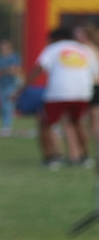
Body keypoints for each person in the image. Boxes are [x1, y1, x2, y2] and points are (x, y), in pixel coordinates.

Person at [33, 23, 97, 168]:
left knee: (46, 124)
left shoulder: (53, 48)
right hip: (82, 93)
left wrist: (21, 89)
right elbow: (94, 73)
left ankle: (51, 158)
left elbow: (39, 67)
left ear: (55, 38)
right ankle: (84, 157)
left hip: (58, 92)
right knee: (77, 123)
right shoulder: (84, 50)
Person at [0, 34, 23, 138]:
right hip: (1, 84)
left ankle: (6, 126)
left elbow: (14, 70)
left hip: (11, 84)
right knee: (3, 105)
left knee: (8, 105)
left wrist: (4, 71)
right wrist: (6, 70)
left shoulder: (14, 56)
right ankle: (5, 125)